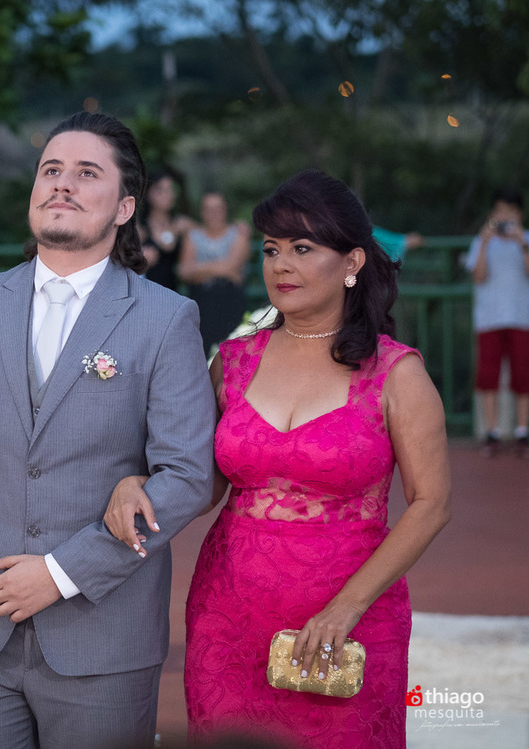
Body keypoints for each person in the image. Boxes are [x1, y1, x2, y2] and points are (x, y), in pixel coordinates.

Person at [0, 111, 217, 749]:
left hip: (105, 631)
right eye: (50, 170)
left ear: (124, 207)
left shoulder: (165, 318)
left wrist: (63, 572)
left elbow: (186, 476)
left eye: (86, 173)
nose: (61, 184)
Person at [108, 170, 451, 747]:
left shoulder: (398, 373)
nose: (280, 264)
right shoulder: (233, 361)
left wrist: (345, 609)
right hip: (229, 615)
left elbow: (432, 504)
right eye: (270, 250)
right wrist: (133, 482)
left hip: (350, 620)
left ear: (352, 262)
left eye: (302, 248)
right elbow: (202, 484)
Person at [465, 187, 529, 457]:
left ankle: (522, 432)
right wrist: (485, 242)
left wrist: (520, 242)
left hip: (521, 318)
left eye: (510, 212)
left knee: (523, 376)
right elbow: (478, 276)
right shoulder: (481, 242)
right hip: (489, 319)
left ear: (519, 214)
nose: (505, 217)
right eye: (500, 211)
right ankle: (490, 432)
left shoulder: (526, 239)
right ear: (493, 214)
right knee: (487, 376)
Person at [177, 191, 252, 355]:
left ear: (225, 210)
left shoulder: (239, 234)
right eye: (209, 209)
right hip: (201, 299)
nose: (214, 214)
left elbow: (231, 267)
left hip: (230, 297)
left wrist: (198, 268)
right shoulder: (193, 236)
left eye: (218, 209)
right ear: (202, 212)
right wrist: (223, 267)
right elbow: (183, 271)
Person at [139, 170, 196, 291]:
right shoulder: (139, 229)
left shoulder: (183, 224)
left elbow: (211, 233)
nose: (168, 194)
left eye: (171, 189)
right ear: (148, 193)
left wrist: (237, 227)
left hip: (175, 296)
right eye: (161, 190)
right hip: (147, 295)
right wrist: (139, 259)